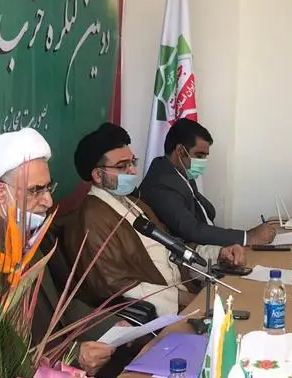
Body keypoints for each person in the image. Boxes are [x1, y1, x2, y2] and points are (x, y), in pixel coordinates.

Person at [0, 128, 124, 378]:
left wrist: (113, 325)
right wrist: (73, 357)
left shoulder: (28, 236)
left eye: (48, 188)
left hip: (53, 375)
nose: (48, 201)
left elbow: (58, 304)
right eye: (35, 191)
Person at [67, 123, 244, 318]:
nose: (133, 171)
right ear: (98, 175)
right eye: (122, 166)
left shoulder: (133, 202)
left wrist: (218, 254)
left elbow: (173, 247)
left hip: (185, 293)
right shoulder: (92, 217)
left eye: (132, 162)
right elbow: (116, 287)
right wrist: (184, 299)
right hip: (160, 314)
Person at [139, 118, 277, 248]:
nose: (202, 162)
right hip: (191, 255)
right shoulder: (161, 184)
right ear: (180, 151)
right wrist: (248, 237)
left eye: (205, 156)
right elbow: (192, 230)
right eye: (199, 155)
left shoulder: (181, 173)